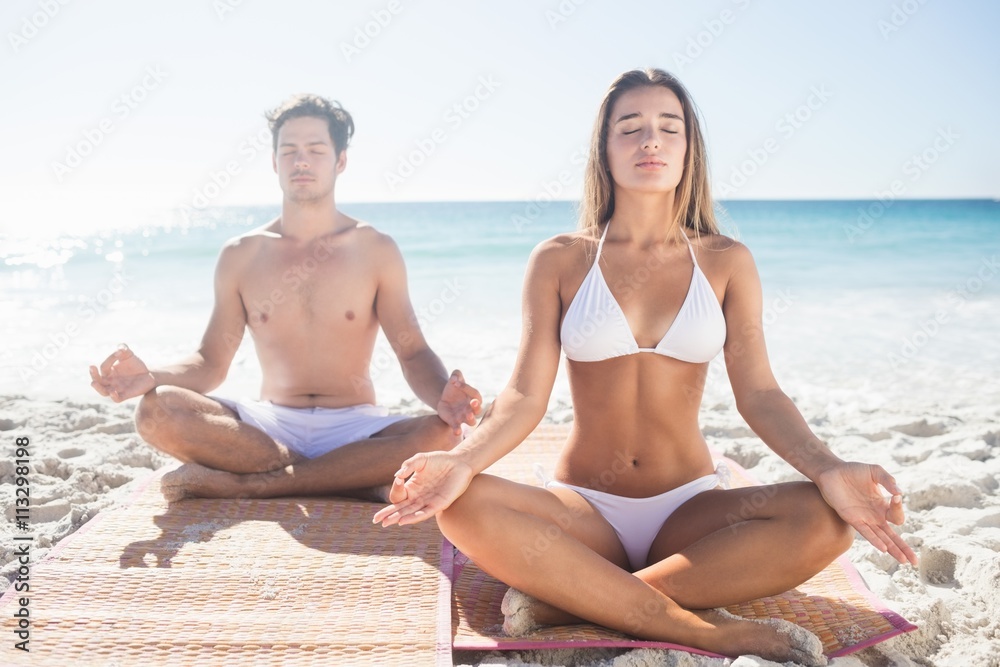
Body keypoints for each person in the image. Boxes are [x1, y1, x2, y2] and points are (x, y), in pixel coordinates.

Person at [373, 69, 917, 663]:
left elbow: (759, 393)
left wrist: (830, 466)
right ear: (604, 151)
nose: (650, 141)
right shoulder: (560, 259)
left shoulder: (725, 260)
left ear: (690, 149)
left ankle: (573, 601)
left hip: (691, 511)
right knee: (462, 503)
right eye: (629, 128)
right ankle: (693, 628)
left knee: (825, 517)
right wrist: (460, 460)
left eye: (668, 128)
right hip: (584, 510)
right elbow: (525, 396)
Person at [90, 94, 481, 502]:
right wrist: (151, 377)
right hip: (269, 427)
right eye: (289, 151)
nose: (301, 162)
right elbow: (210, 363)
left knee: (445, 434)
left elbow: (412, 352)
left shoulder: (375, 249)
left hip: (356, 427)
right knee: (156, 412)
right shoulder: (241, 254)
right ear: (274, 162)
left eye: (315, 150)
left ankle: (255, 484)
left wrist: (443, 397)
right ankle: (353, 481)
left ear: (340, 161)